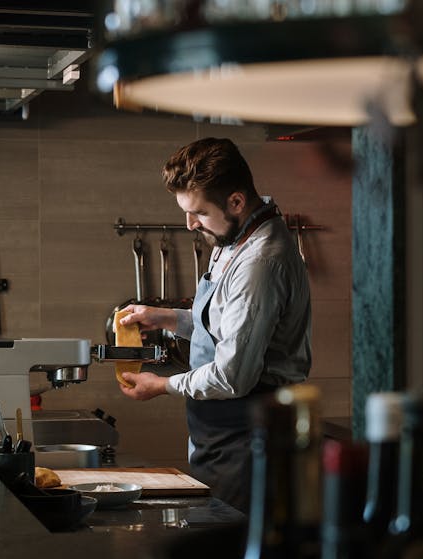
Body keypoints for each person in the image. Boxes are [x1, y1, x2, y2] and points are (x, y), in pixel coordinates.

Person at [117, 137, 312, 511]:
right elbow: (225, 326)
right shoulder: (235, 235)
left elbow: (232, 376)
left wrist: (161, 385)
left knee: (233, 550)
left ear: (236, 201)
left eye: (199, 213)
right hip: (220, 432)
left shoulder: (260, 263)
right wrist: (168, 318)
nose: (190, 224)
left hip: (249, 435)